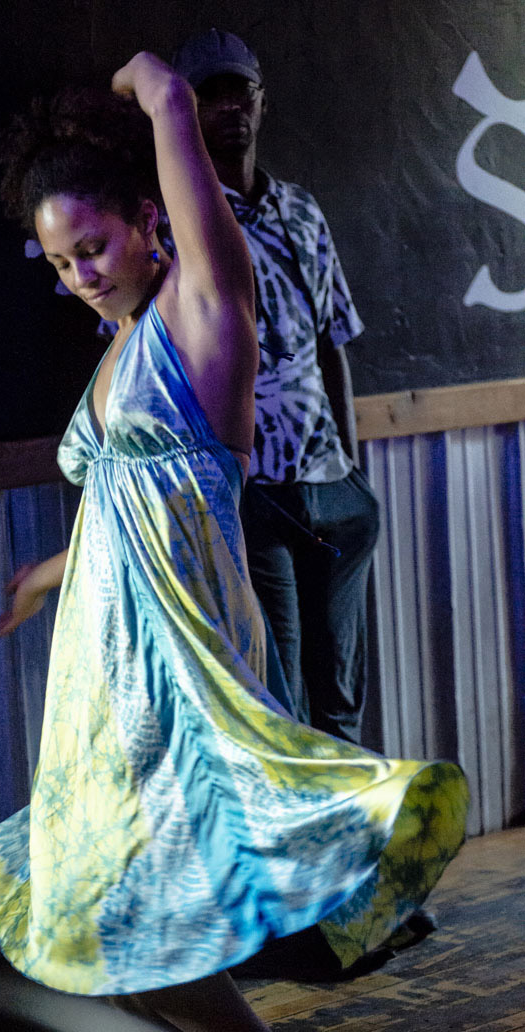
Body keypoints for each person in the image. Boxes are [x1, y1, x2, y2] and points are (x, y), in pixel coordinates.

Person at [0, 51, 468, 1032]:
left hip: (177, 655)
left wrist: (149, 89)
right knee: (104, 938)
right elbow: (127, 503)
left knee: (126, 926)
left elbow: (169, 99)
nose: (81, 274)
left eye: (94, 246)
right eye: (60, 262)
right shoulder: (119, 347)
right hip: (103, 668)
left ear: (152, 221)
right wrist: (54, 571)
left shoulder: (204, 308)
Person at [172, 30, 380, 744]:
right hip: (254, 496)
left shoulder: (300, 209)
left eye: (242, 93)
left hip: (333, 488)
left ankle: (350, 816)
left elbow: (333, 341)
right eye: (211, 96)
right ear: (185, 111)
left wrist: (351, 469)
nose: (230, 108)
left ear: (262, 104)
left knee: (340, 695)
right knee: (281, 696)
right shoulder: (181, 225)